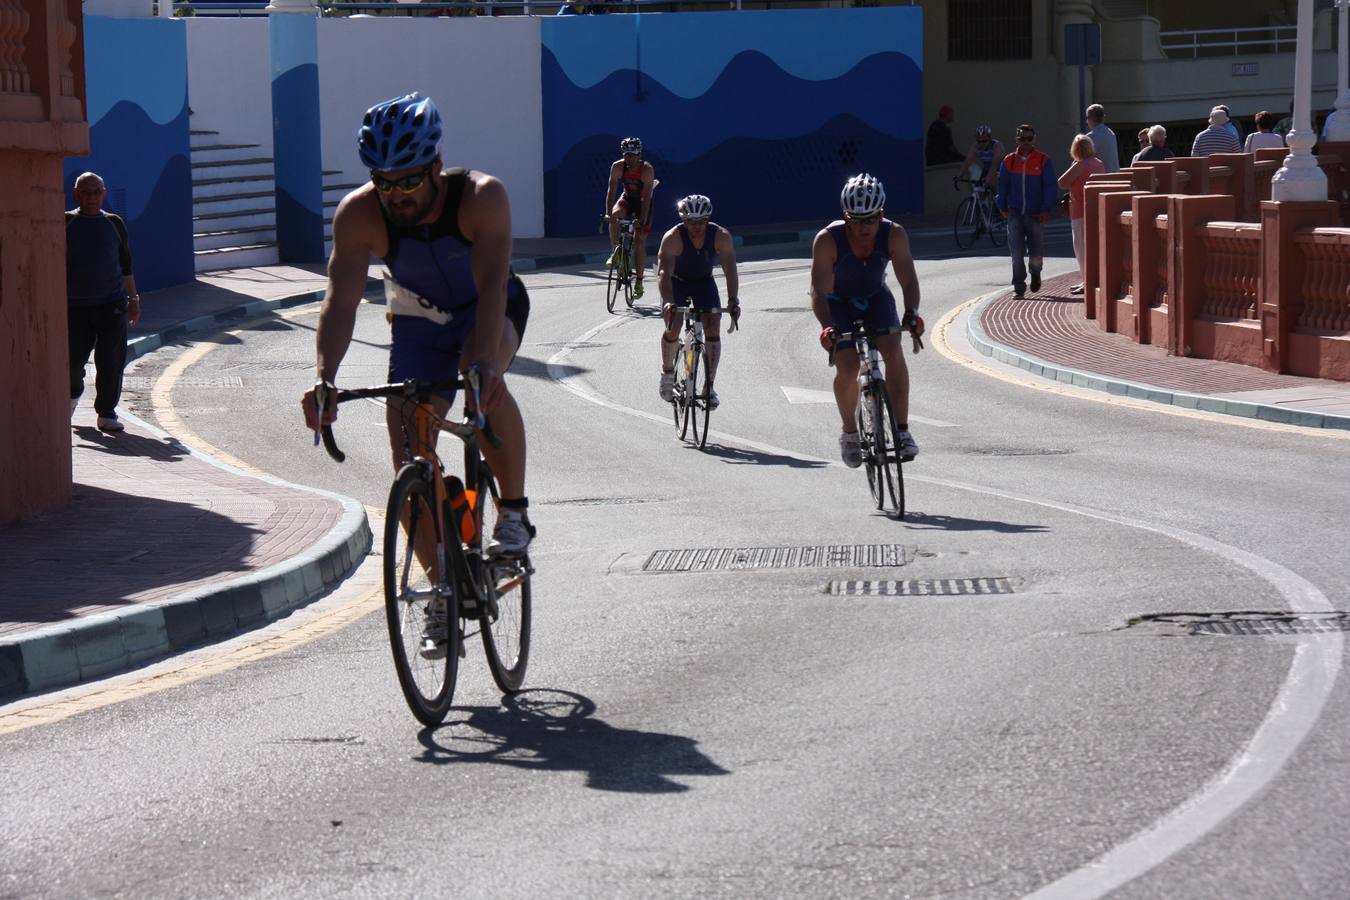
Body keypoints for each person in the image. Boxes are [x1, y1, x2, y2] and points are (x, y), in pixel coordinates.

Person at [302, 93, 534, 658]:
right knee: (407, 452)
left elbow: (489, 290)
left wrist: (480, 367)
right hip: (417, 318)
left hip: (489, 308)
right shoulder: (360, 214)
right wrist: (325, 378)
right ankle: (441, 591)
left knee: (485, 380)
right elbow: (340, 301)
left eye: (409, 182)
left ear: (435, 167)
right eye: (386, 184)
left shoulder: (482, 197)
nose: (398, 197)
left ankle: (513, 514)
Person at [810, 174, 923, 467]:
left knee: (893, 351)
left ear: (881, 215)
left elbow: (908, 281)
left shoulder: (894, 234)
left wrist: (911, 313)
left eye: (870, 220)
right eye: (855, 221)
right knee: (847, 366)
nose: (863, 227)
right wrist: (828, 328)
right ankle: (849, 433)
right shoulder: (827, 241)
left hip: (875, 298)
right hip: (837, 304)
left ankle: (902, 430)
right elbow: (819, 293)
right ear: (845, 217)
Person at [67, 172, 139, 432]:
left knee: (111, 360)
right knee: (72, 362)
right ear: (76, 194)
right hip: (73, 307)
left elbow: (126, 264)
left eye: (96, 192)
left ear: (104, 193)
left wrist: (133, 298)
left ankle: (107, 412)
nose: (91, 197)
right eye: (86, 192)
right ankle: (73, 394)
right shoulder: (65, 223)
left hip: (111, 304)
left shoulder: (114, 223)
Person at [656, 194, 739, 410]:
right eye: (691, 222)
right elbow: (664, 273)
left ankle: (708, 386)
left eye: (701, 221)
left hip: (704, 283)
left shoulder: (721, 236)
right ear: (684, 221)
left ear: (708, 219)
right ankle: (667, 373)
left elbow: (730, 269)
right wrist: (668, 302)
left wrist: (732, 299)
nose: (697, 227)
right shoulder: (672, 238)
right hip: (677, 283)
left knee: (713, 325)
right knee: (674, 325)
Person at [995, 124, 1057, 298]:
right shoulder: (1009, 160)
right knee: (1016, 252)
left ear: (1034, 139)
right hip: (1014, 213)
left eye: (1029, 138)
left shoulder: (1043, 160)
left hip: (1035, 213)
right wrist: (1002, 205)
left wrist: (1046, 208)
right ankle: (1019, 287)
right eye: (1022, 139)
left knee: (1036, 251)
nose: (1026, 142)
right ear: (1017, 140)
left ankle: (1035, 272)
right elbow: (1003, 185)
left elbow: (1050, 186)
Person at [604, 137, 655, 300]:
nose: (629, 158)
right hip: (627, 199)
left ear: (639, 154)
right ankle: (615, 252)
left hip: (642, 203)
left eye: (633, 155)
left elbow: (647, 198)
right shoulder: (618, 166)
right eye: (626, 155)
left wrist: (642, 220)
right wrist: (608, 213)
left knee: (639, 240)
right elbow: (611, 191)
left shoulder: (646, 170)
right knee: (614, 216)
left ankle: (639, 282)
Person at [1057, 134, 1105, 296]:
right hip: (1096, 210)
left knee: (1081, 248)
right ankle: (1088, 279)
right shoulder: (1099, 164)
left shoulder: (1079, 165)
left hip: (1079, 210)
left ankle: (1087, 281)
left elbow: (1062, 182)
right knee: (1092, 248)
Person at [958, 124, 1005, 189]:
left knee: (993, 185)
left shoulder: (997, 146)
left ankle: (999, 198)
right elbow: (968, 161)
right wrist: (960, 175)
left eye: (984, 141)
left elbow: (995, 165)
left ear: (990, 139)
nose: (981, 144)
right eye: (979, 141)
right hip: (987, 169)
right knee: (980, 190)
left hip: (1000, 169)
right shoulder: (976, 146)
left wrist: (989, 177)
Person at [1084, 104, 1120, 173]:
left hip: (1101, 179)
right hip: (1115, 177)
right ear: (1103, 118)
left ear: (1090, 118)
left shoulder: (1090, 137)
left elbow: (1081, 162)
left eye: (1087, 118)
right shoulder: (1111, 133)